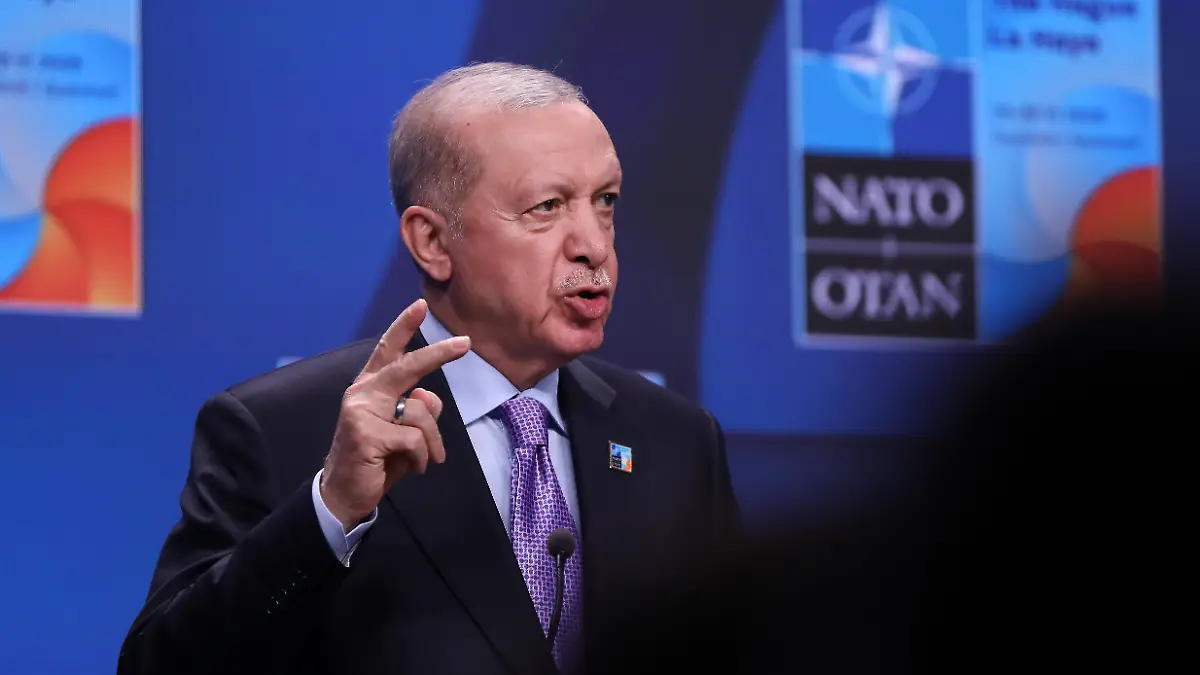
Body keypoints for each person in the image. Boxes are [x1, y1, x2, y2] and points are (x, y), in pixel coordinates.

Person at [117, 62, 740, 675]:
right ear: (433, 243)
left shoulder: (676, 441)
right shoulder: (284, 430)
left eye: (605, 201)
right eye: (547, 206)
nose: (595, 245)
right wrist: (330, 512)